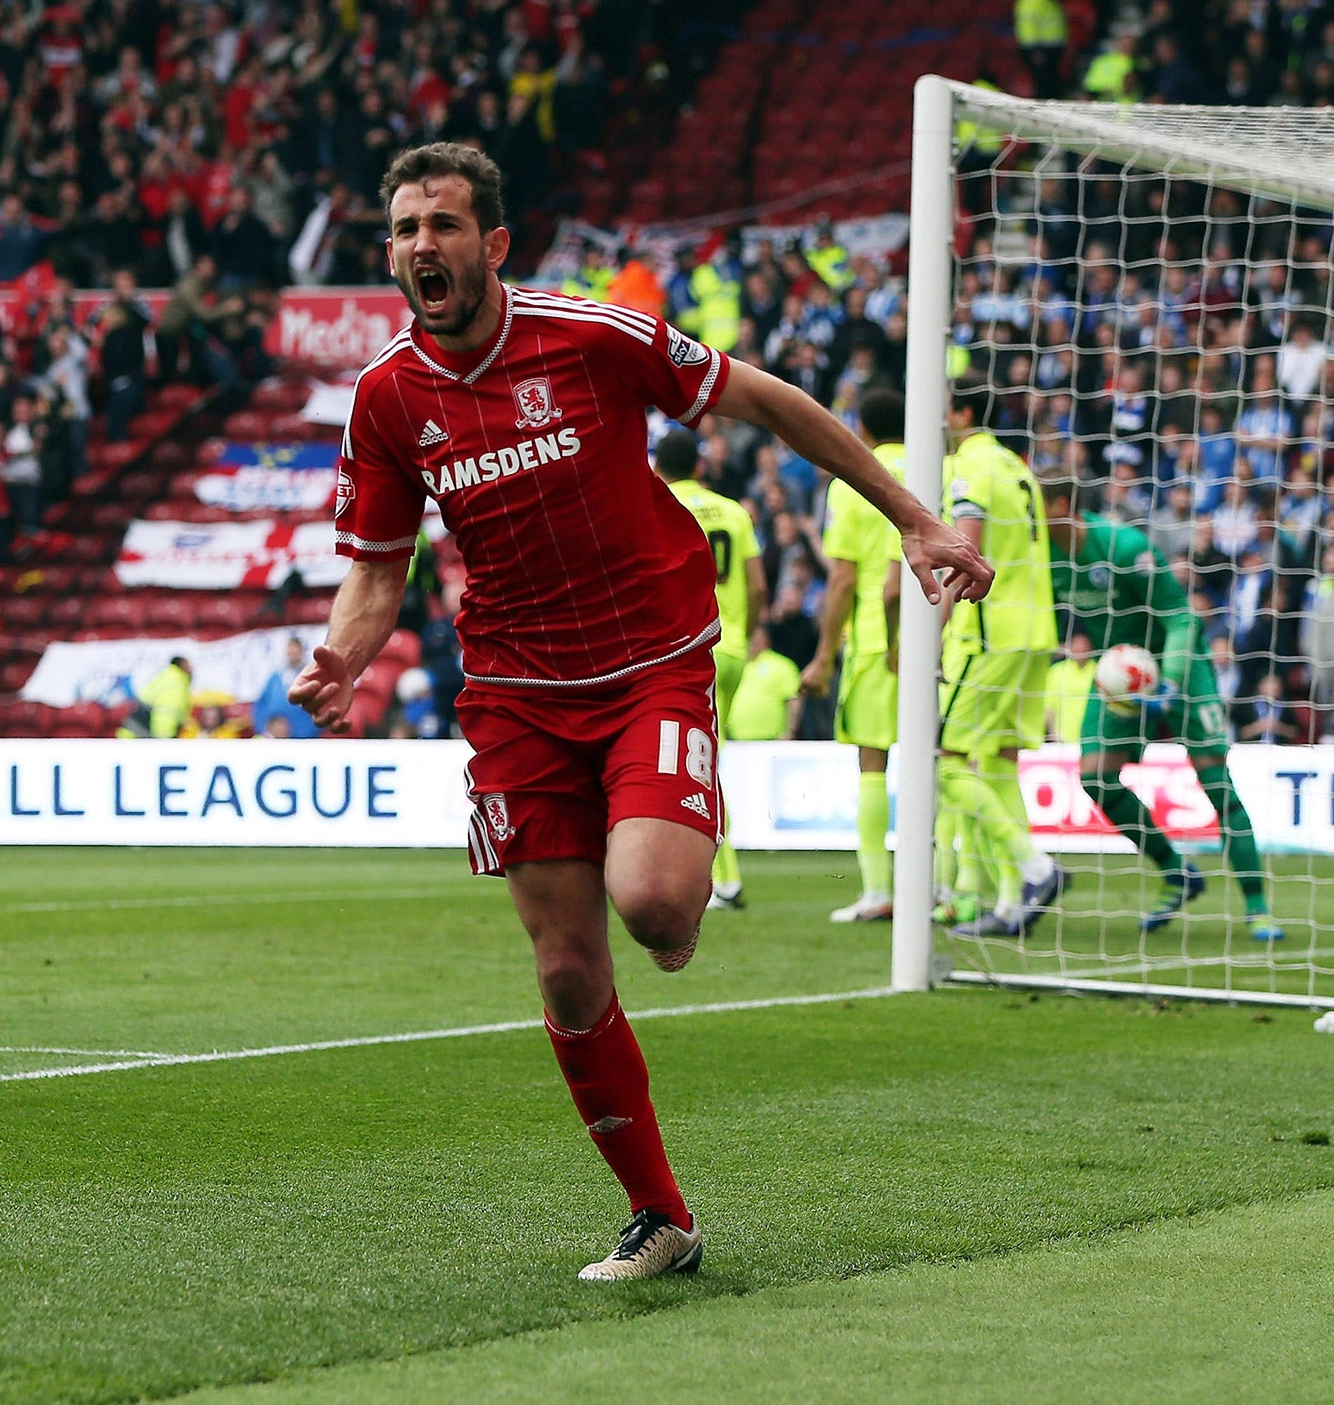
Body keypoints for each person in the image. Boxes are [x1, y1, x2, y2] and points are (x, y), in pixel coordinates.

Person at [293, 143, 990, 1281]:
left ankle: (673, 884)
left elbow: (761, 399)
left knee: (658, 911)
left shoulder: (588, 335)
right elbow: (376, 569)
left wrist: (912, 516)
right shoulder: (384, 400)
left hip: (649, 664)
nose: (424, 245)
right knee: (567, 971)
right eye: (406, 229)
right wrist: (340, 658)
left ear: (493, 244)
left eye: (445, 225)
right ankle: (659, 1216)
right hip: (514, 695)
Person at [1041, 476, 1282, 941]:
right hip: (1119, 675)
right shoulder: (1040, 555)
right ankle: (1177, 871)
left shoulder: (1125, 546)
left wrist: (1169, 678)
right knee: (1095, 777)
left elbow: (1179, 615)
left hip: (1180, 668)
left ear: (1061, 506)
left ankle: (1257, 906)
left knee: (1215, 782)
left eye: (1037, 504)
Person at [937, 380, 1065, 939]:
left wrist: (932, 630)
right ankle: (1014, 903)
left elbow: (963, 548)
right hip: (1037, 628)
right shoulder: (1017, 467)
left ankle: (1036, 867)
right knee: (998, 765)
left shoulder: (969, 466)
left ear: (961, 413)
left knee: (940, 759)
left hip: (991, 633)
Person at [800, 386, 906, 922]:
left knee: (872, 760)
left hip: (876, 641)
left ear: (861, 428)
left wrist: (823, 655)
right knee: (945, 762)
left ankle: (879, 889)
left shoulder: (854, 478)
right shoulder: (938, 467)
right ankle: (946, 887)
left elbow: (842, 577)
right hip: (944, 638)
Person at [653, 429, 764, 911]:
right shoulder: (735, 512)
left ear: (658, 466)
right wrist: (747, 630)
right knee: (706, 760)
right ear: (699, 467)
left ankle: (725, 879)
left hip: (683, 648)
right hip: (732, 646)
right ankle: (712, 873)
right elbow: (758, 584)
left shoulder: (654, 505)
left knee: (697, 767)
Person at [253, 637, 320, 740]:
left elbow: (319, 710)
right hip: (272, 739)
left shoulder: (311, 679)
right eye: (290, 650)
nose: (292, 653)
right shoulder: (275, 678)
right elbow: (261, 705)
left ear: (301, 652)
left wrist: (304, 734)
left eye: (295, 650)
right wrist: (264, 729)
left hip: (301, 740)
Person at [1046, 631, 1096, 744]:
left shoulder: (1098, 670)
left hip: (1090, 739)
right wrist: (1053, 735)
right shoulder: (1057, 671)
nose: (1080, 649)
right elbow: (1048, 707)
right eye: (1076, 645)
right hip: (1062, 740)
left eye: (1084, 645)